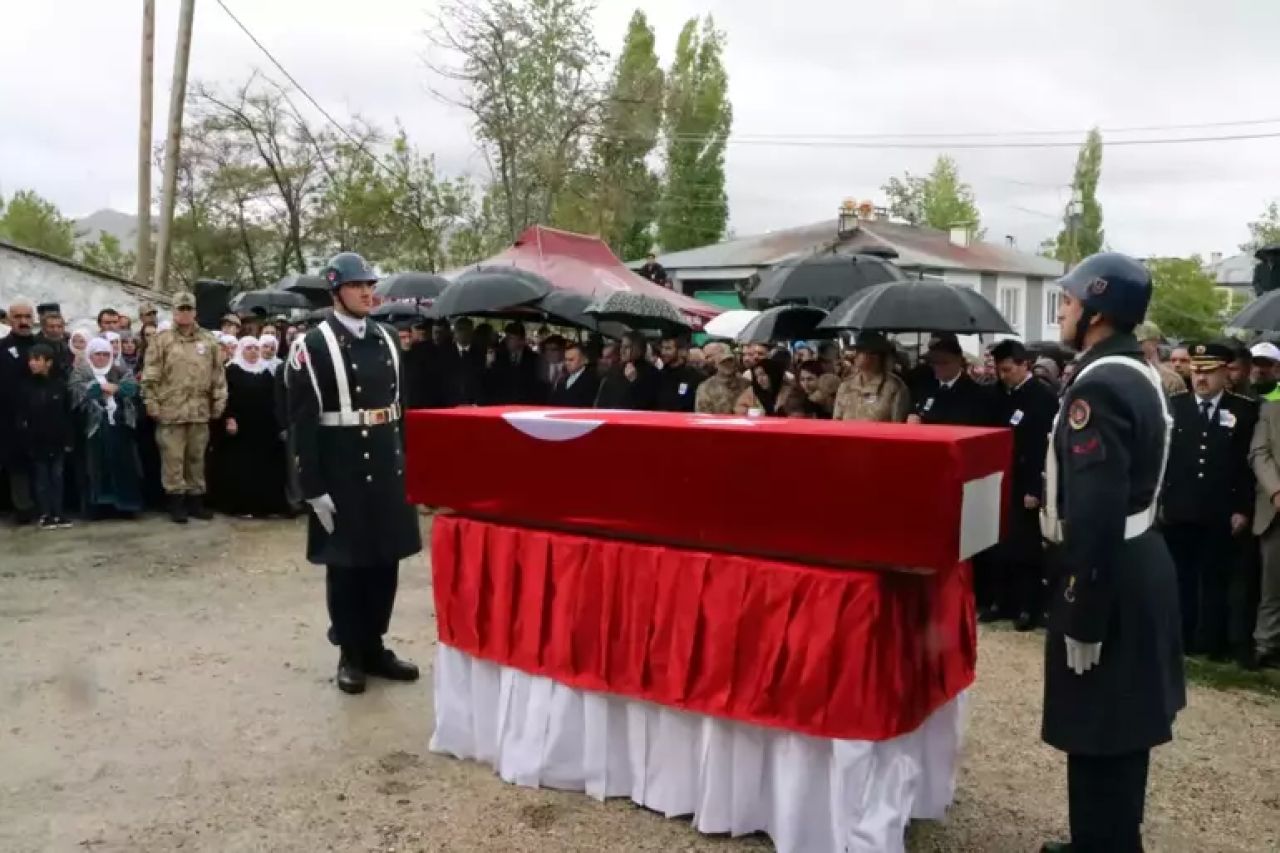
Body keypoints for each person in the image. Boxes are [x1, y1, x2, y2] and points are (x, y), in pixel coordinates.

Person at [1037, 252, 1184, 853]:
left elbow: (1095, 511)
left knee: (1102, 724)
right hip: (1136, 558)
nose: (1064, 310)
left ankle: (1105, 844)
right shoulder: (1135, 369)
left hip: (1109, 572)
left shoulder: (1098, 385)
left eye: (1070, 301)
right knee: (1116, 725)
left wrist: (1083, 610)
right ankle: (1100, 839)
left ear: (1097, 311)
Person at [286, 251, 421, 695]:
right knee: (346, 565)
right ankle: (349, 651)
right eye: (357, 285)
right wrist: (312, 485)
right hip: (342, 465)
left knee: (385, 560)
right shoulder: (313, 345)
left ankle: (375, 645)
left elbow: (400, 411)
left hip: (385, 463)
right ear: (335, 292)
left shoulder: (386, 338)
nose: (367, 292)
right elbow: (302, 422)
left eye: (370, 284)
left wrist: (408, 464)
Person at [1161, 341, 1257, 659]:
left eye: (1209, 372)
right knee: (1181, 578)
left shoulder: (1243, 410)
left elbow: (1247, 465)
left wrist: (1243, 508)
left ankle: (1214, 642)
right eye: (1196, 370)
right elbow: (1166, 458)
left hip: (1221, 509)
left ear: (1224, 373)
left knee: (1217, 580)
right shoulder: (1176, 405)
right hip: (1181, 507)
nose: (1200, 378)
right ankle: (1184, 639)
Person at [983, 339, 1060, 630]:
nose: (1003, 376)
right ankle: (999, 601)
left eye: (1008, 369)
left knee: (1026, 548)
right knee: (999, 545)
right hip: (1001, 479)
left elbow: (1042, 447)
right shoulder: (998, 395)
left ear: (1024, 365)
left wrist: (1033, 488)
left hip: (1026, 481)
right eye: (1000, 370)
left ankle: (1028, 606)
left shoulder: (1041, 396)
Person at [141, 290, 227, 524]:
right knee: (173, 459)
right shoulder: (162, 340)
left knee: (196, 458)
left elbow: (218, 373)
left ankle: (196, 502)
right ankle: (176, 503)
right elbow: (151, 374)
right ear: (174, 311)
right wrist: (150, 400)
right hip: (171, 410)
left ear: (195, 312)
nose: (185, 313)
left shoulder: (208, 340)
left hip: (199, 410)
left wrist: (220, 400)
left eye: (189, 309)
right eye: (181, 309)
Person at [72, 337, 144, 519]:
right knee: (95, 468)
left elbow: (131, 388)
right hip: (94, 429)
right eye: (98, 354)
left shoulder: (119, 369)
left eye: (106, 354)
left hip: (119, 426)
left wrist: (116, 388)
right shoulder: (81, 372)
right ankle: (98, 508)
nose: (102, 358)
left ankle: (125, 507)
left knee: (124, 467)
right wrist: (102, 388)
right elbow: (78, 393)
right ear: (90, 355)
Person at [217, 337, 287, 518]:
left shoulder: (266, 371)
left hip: (264, 427)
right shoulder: (232, 370)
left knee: (266, 466)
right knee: (243, 467)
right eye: (249, 348)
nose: (253, 352)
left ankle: (267, 506)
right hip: (241, 428)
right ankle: (243, 506)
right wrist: (229, 418)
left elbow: (275, 398)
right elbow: (226, 397)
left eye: (256, 348)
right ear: (241, 350)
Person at [15, 343, 74, 529]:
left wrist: (68, 439)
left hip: (57, 441)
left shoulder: (59, 385)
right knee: (42, 479)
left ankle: (59, 513)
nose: (33, 363)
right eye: (31, 360)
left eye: (37, 359)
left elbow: (66, 415)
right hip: (36, 442)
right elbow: (22, 416)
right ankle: (45, 513)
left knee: (57, 477)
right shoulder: (25, 387)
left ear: (48, 363)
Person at [1248, 384, 1280, 670]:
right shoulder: (1271, 410)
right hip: (1275, 511)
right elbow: (1259, 453)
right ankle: (1265, 644)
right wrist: (1276, 492)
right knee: (1272, 585)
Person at [1, 299, 39, 523]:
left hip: (42, 417)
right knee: (17, 464)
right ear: (9, 319)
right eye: (18, 317)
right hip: (9, 418)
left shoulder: (43, 346)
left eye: (27, 317)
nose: (24, 322)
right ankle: (22, 507)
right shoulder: (1, 348)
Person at [907, 335, 992, 426]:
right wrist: (914, 416)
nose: (938, 367)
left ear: (958, 361)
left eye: (944, 362)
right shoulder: (926, 388)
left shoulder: (975, 393)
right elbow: (916, 409)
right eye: (934, 362)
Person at [833, 333, 911, 423]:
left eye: (860, 351)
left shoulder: (894, 387)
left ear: (875, 356)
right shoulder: (846, 385)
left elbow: (898, 425)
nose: (855, 355)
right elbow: (836, 420)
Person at [595, 332, 659, 410]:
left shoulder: (652, 373)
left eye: (627, 347)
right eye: (622, 346)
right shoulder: (615, 369)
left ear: (639, 349)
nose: (622, 351)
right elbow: (603, 399)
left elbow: (647, 402)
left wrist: (634, 381)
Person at [485, 322, 545, 404]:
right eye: (506, 336)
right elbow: (491, 383)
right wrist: (489, 365)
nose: (506, 340)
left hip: (525, 406)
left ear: (521, 340)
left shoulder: (534, 359)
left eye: (511, 338)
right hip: (502, 404)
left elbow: (537, 386)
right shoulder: (498, 356)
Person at [439, 317, 487, 405]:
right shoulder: (444, 353)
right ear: (454, 332)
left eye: (466, 329)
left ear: (472, 331)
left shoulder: (480, 353)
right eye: (460, 329)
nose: (463, 333)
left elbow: (483, 380)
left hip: (474, 405)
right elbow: (442, 381)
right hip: (450, 404)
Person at [1134, 322, 1188, 396]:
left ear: (1154, 344)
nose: (1134, 346)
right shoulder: (1122, 373)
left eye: (1140, 343)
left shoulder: (1171, 380)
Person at [655, 334, 705, 412]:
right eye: (662, 348)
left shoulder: (696, 377)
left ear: (681, 351)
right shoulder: (658, 375)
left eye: (668, 349)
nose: (663, 352)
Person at [695, 350, 748, 414]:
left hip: (742, 422)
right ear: (716, 365)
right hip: (716, 422)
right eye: (723, 362)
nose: (728, 364)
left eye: (730, 361)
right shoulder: (706, 387)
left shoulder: (746, 384)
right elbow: (702, 412)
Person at [547, 343, 599, 407]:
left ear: (584, 360)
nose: (567, 363)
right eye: (565, 359)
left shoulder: (592, 380)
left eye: (571, 360)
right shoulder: (562, 379)